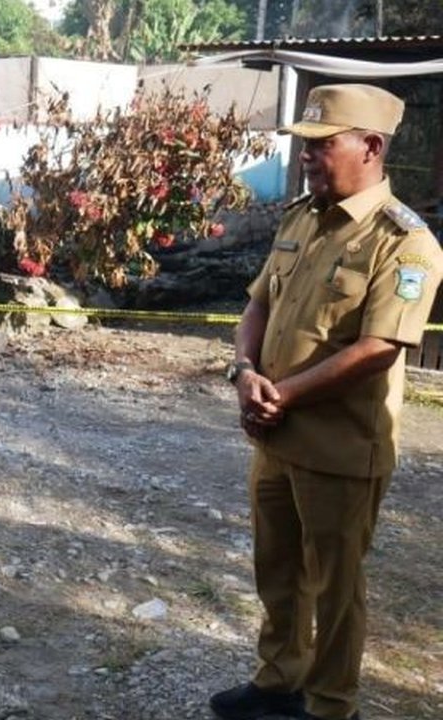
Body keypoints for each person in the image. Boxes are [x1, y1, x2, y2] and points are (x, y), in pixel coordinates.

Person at [213, 84, 443, 720]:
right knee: (277, 571)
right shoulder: (301, 217)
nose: (308, 156)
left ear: (370, 147)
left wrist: (280, 393)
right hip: (274, 436)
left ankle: (331, 704)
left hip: (340, 449)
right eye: (306, 145)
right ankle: (278, 681)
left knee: (335, 588)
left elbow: (380, 347)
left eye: (322, 144)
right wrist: (244, 372)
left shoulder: (406, 242)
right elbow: (258, 303)